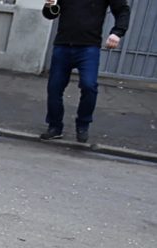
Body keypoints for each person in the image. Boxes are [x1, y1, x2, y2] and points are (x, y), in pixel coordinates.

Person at [40, 0, 130, 143]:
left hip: (88, 48)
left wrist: (117, 33)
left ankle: (83, 125)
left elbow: (122, 10)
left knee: (89, 86)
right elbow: (50, 15)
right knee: (54, 87)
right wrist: (48, 6)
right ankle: (55, 127)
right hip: (63, 45)